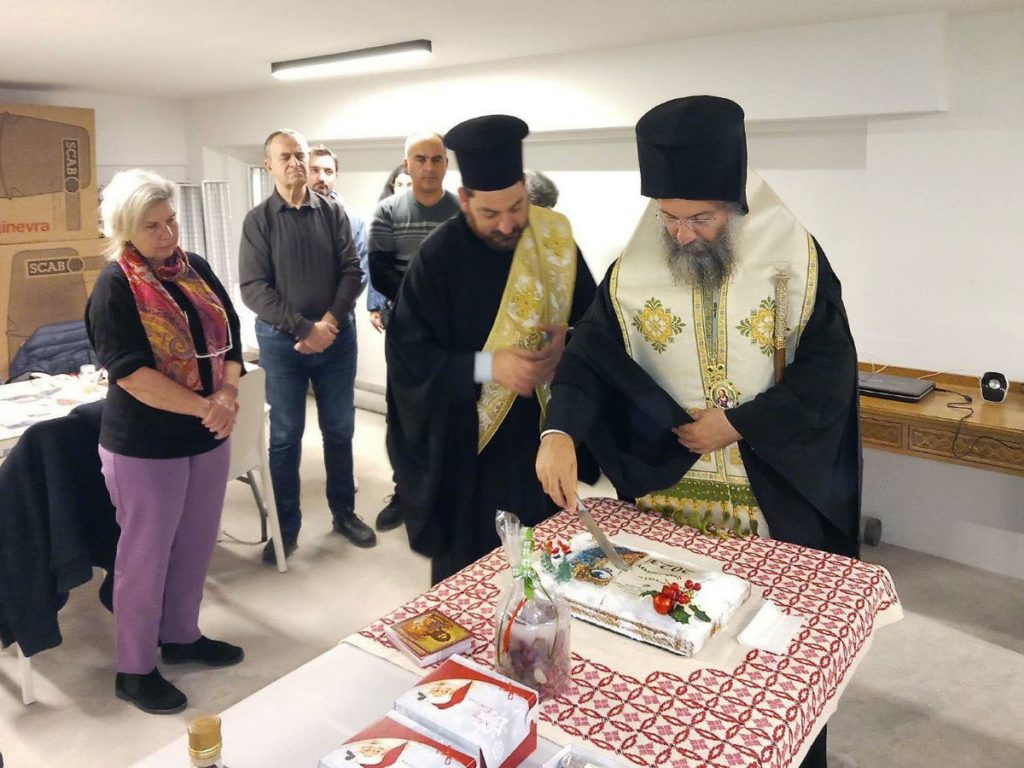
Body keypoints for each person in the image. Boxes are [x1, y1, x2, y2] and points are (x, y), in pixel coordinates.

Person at [535, 95, 860, 768]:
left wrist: (738, 423)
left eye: (701, 218)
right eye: (670, 218)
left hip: (775, 490)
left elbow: (831, 375)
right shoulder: (633, 268)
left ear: (735, 203)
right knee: (657, 643)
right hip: (666, 490)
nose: (682, 235)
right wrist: (559, 429)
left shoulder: (794, 257)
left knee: (768, 663)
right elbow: (591, 357)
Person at [385, 115, 596, 584]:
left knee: (546, 569)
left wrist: (571, 341)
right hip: (468, 448)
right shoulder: (437, 259)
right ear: (464, 200)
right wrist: (487, 365)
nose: (507, 224)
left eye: (517, 208)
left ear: (525, 189)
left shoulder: (555, 239)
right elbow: (409, 359)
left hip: (542, 435)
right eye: (490, 213)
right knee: (471, 575)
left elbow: (596, 322)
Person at [85, 169, 244, 714]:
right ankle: (133, 668)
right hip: (145, 446)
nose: (167, 233)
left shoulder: (194, 269)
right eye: (152, 226)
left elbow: (232, 338)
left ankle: (181, 637)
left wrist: (226, 391)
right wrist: (208, 405)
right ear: (127, 229)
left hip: (206, 435)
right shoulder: (115, 285)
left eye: (171, 220)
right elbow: (130, 372)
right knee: (145, 559)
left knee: (197, 544)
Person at [239, 129, 374, 564]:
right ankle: (286, 527)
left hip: (337, 340)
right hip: (281, 346)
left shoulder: (332, 213)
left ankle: (344, 513)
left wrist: (329, 322)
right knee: (284, 436)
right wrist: (302, 328)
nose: (295, 163)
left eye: (300, 154)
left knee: (340, 429)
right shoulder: (258, 220)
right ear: (269, 166)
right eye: (285, 156)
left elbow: (352, 271)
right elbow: (254, 289)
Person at [368, 131, 461, 531]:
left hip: (452, 335)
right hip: (406, 335)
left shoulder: (461, 212)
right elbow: (380, 271)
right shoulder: (387, 211)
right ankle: (405, 493)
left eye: (436, 159)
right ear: (407, 164)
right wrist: (424, 302)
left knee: (450, 415)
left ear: (446, 164)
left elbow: (468, 272)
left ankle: (447, 495)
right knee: (404, 418)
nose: (428, 167)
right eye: (419, 159)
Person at [308, 145, 388, 341]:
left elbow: (359, 271)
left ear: (336, 176)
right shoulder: (286, 217)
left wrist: (332, 315)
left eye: (328, 171)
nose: (322, 177)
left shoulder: (353, 220)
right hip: (296, 324)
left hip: (339, 321)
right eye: (315, 170)